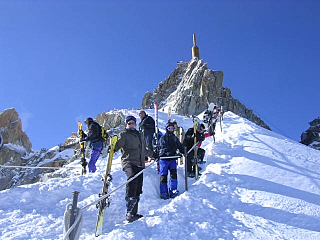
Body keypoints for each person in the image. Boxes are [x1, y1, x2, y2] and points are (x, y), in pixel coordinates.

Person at [114, 116, 146, 222]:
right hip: (129, 162)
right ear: (126, 124)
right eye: (129, 123)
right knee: (132, 180)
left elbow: (143, 150)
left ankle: (134, 213)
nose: (131, 124)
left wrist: (153, 154)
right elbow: (117, 145)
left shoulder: (139, 135)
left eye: (133, 123)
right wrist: (112, 147)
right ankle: (129, 212)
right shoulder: (124, 135)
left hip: (140, 165)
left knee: (138, 188)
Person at [159, 122, 185, 199]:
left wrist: (184, 151)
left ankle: (173, 189)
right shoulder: (163, 138)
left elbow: (180, 146)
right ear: (167, 129)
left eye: (172, 128)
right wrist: (173, 152)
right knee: (164, 175)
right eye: (169, 128)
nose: (171, 130)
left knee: (173, 174)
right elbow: (164, 148)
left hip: (172, 159)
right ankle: (164, 192)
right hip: (164, 159)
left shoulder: (175, 138)